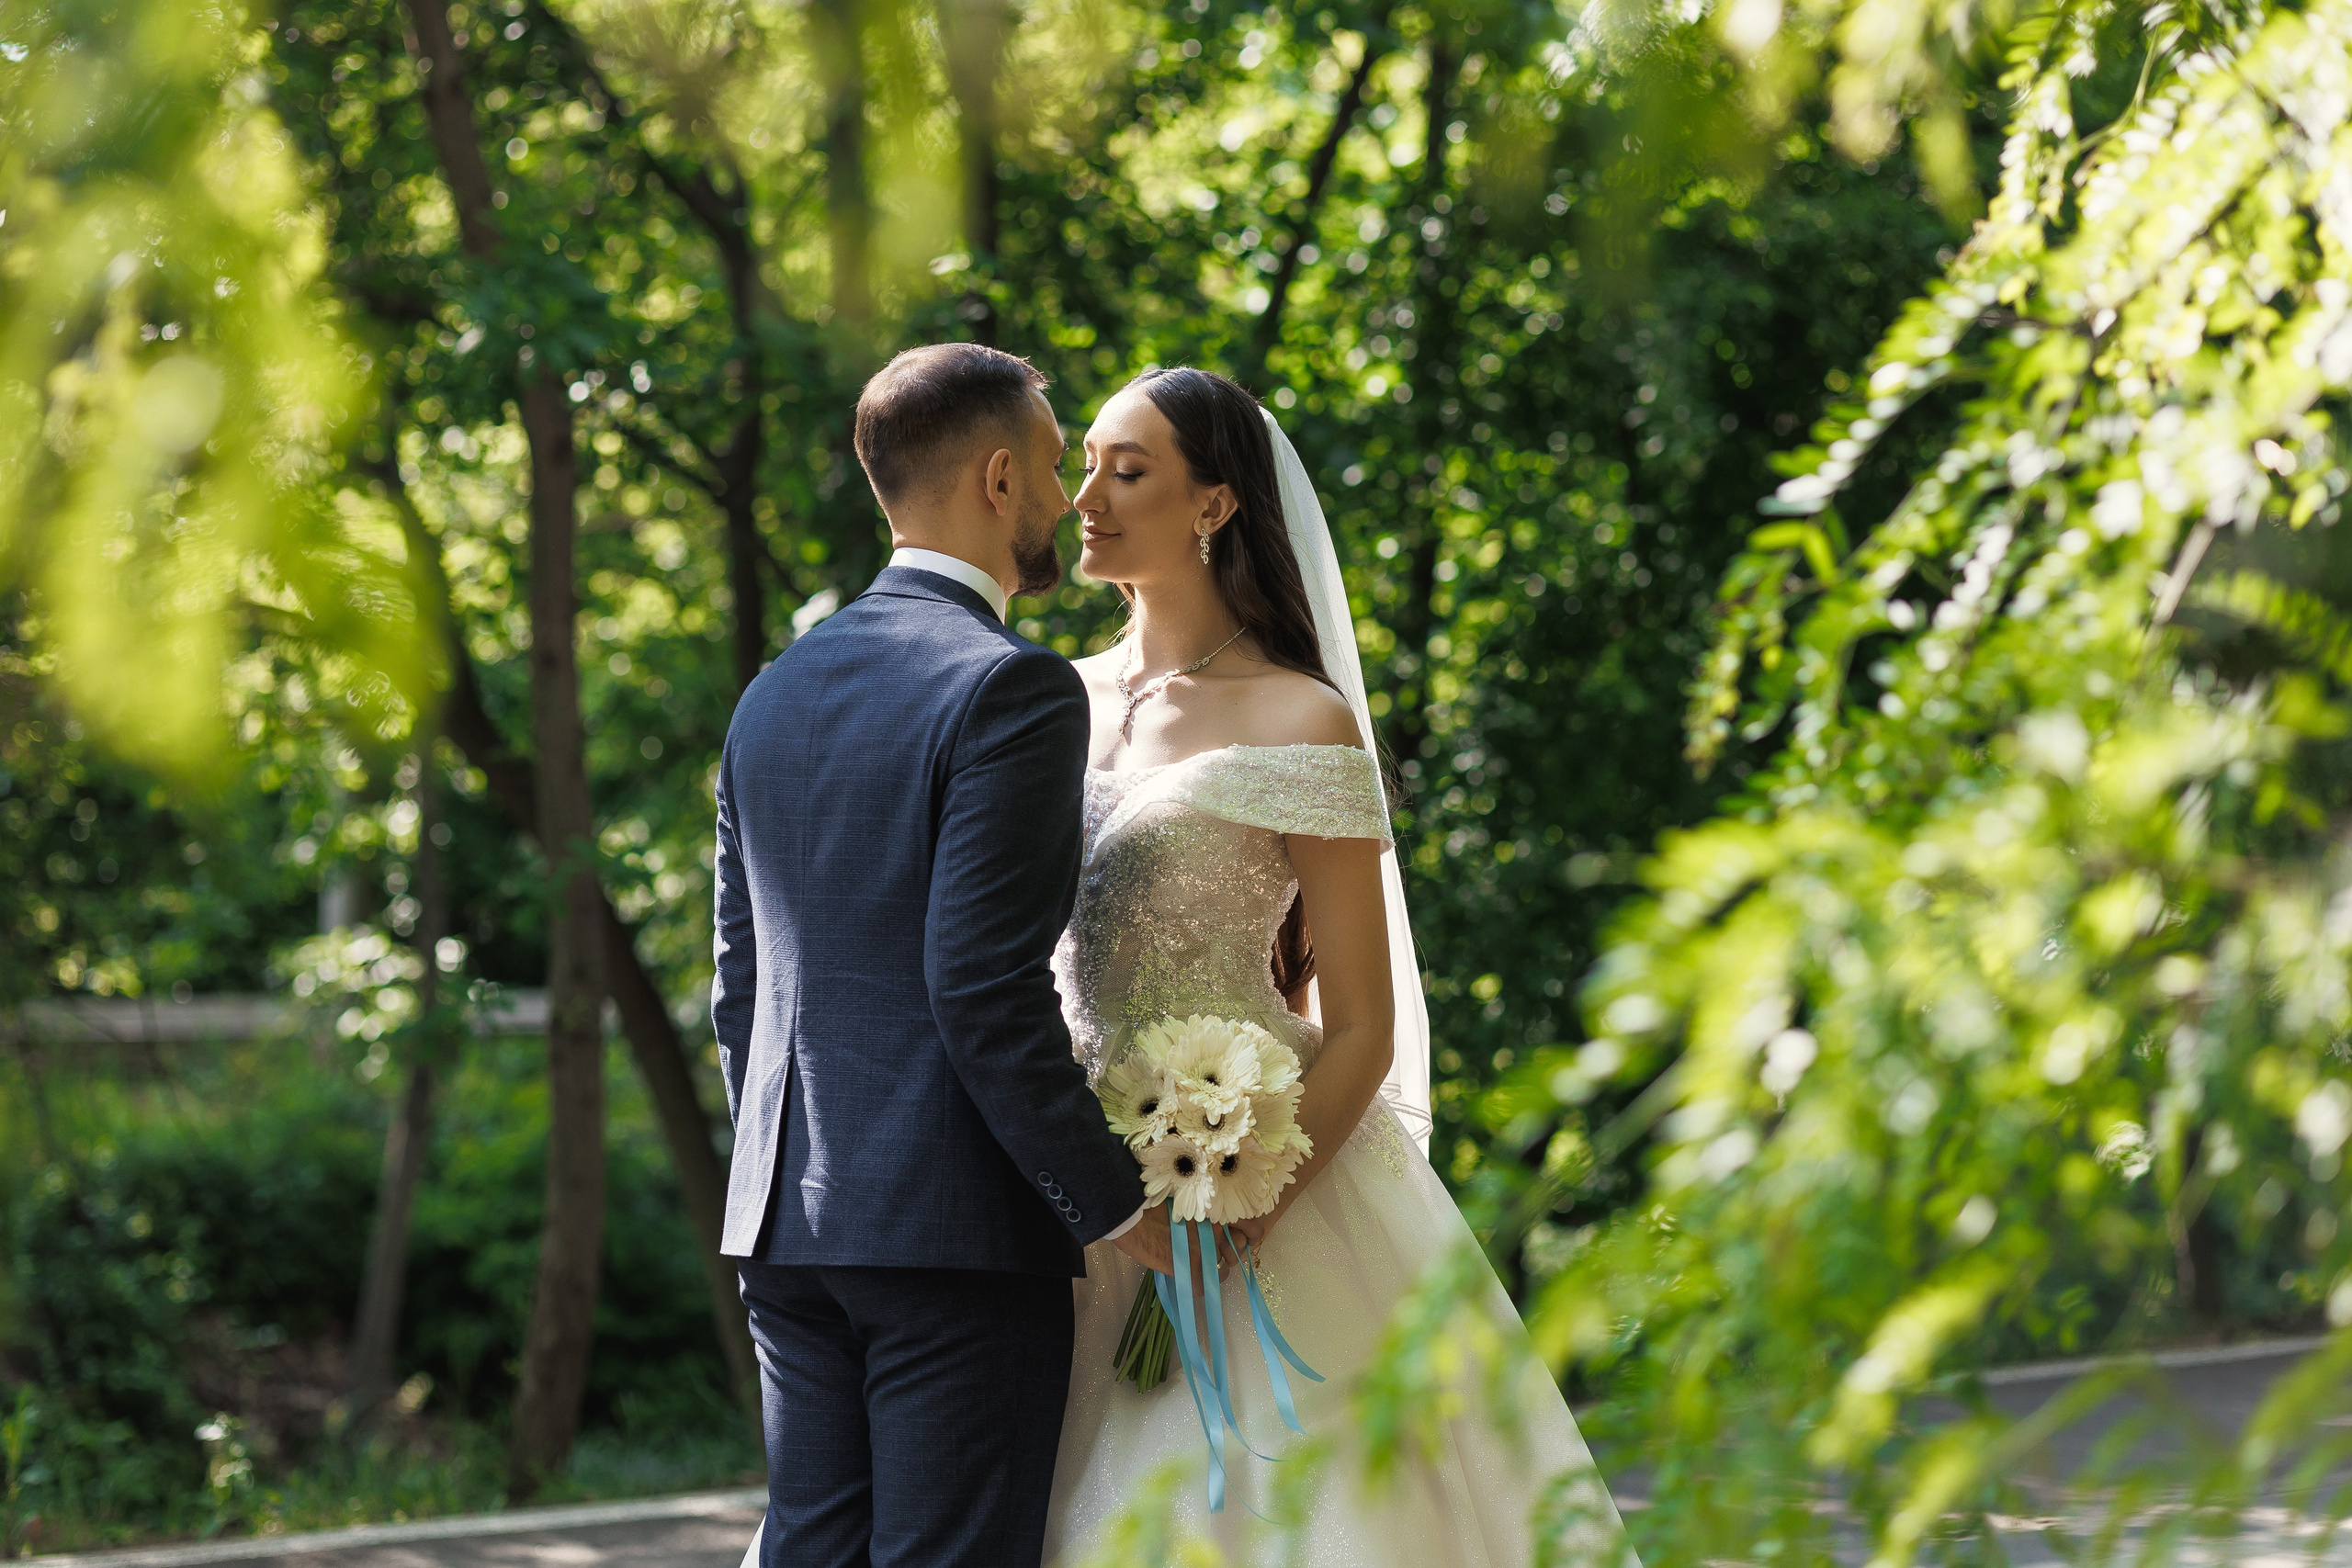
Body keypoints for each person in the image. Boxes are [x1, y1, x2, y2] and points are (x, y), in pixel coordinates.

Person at [1041, 367, 1638, 1565]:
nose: (1084, 499)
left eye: (1127, 470)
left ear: (1214, 504)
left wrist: (1237, 1215)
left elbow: (1360, 1020)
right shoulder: (1048, 701)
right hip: (1075, 1180)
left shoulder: (1301, 720)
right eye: (1085, 465)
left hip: (1265, 1185)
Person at [712, 344, 1187, 1568]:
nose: (1068, 499)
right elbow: (980, 985)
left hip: (786, 1224)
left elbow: (739, 993)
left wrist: (792, 1170)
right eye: (1053, 466)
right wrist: (1112, 1199)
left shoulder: (773, 693)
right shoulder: (1013, 689)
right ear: (996, 478)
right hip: (955, 1234)